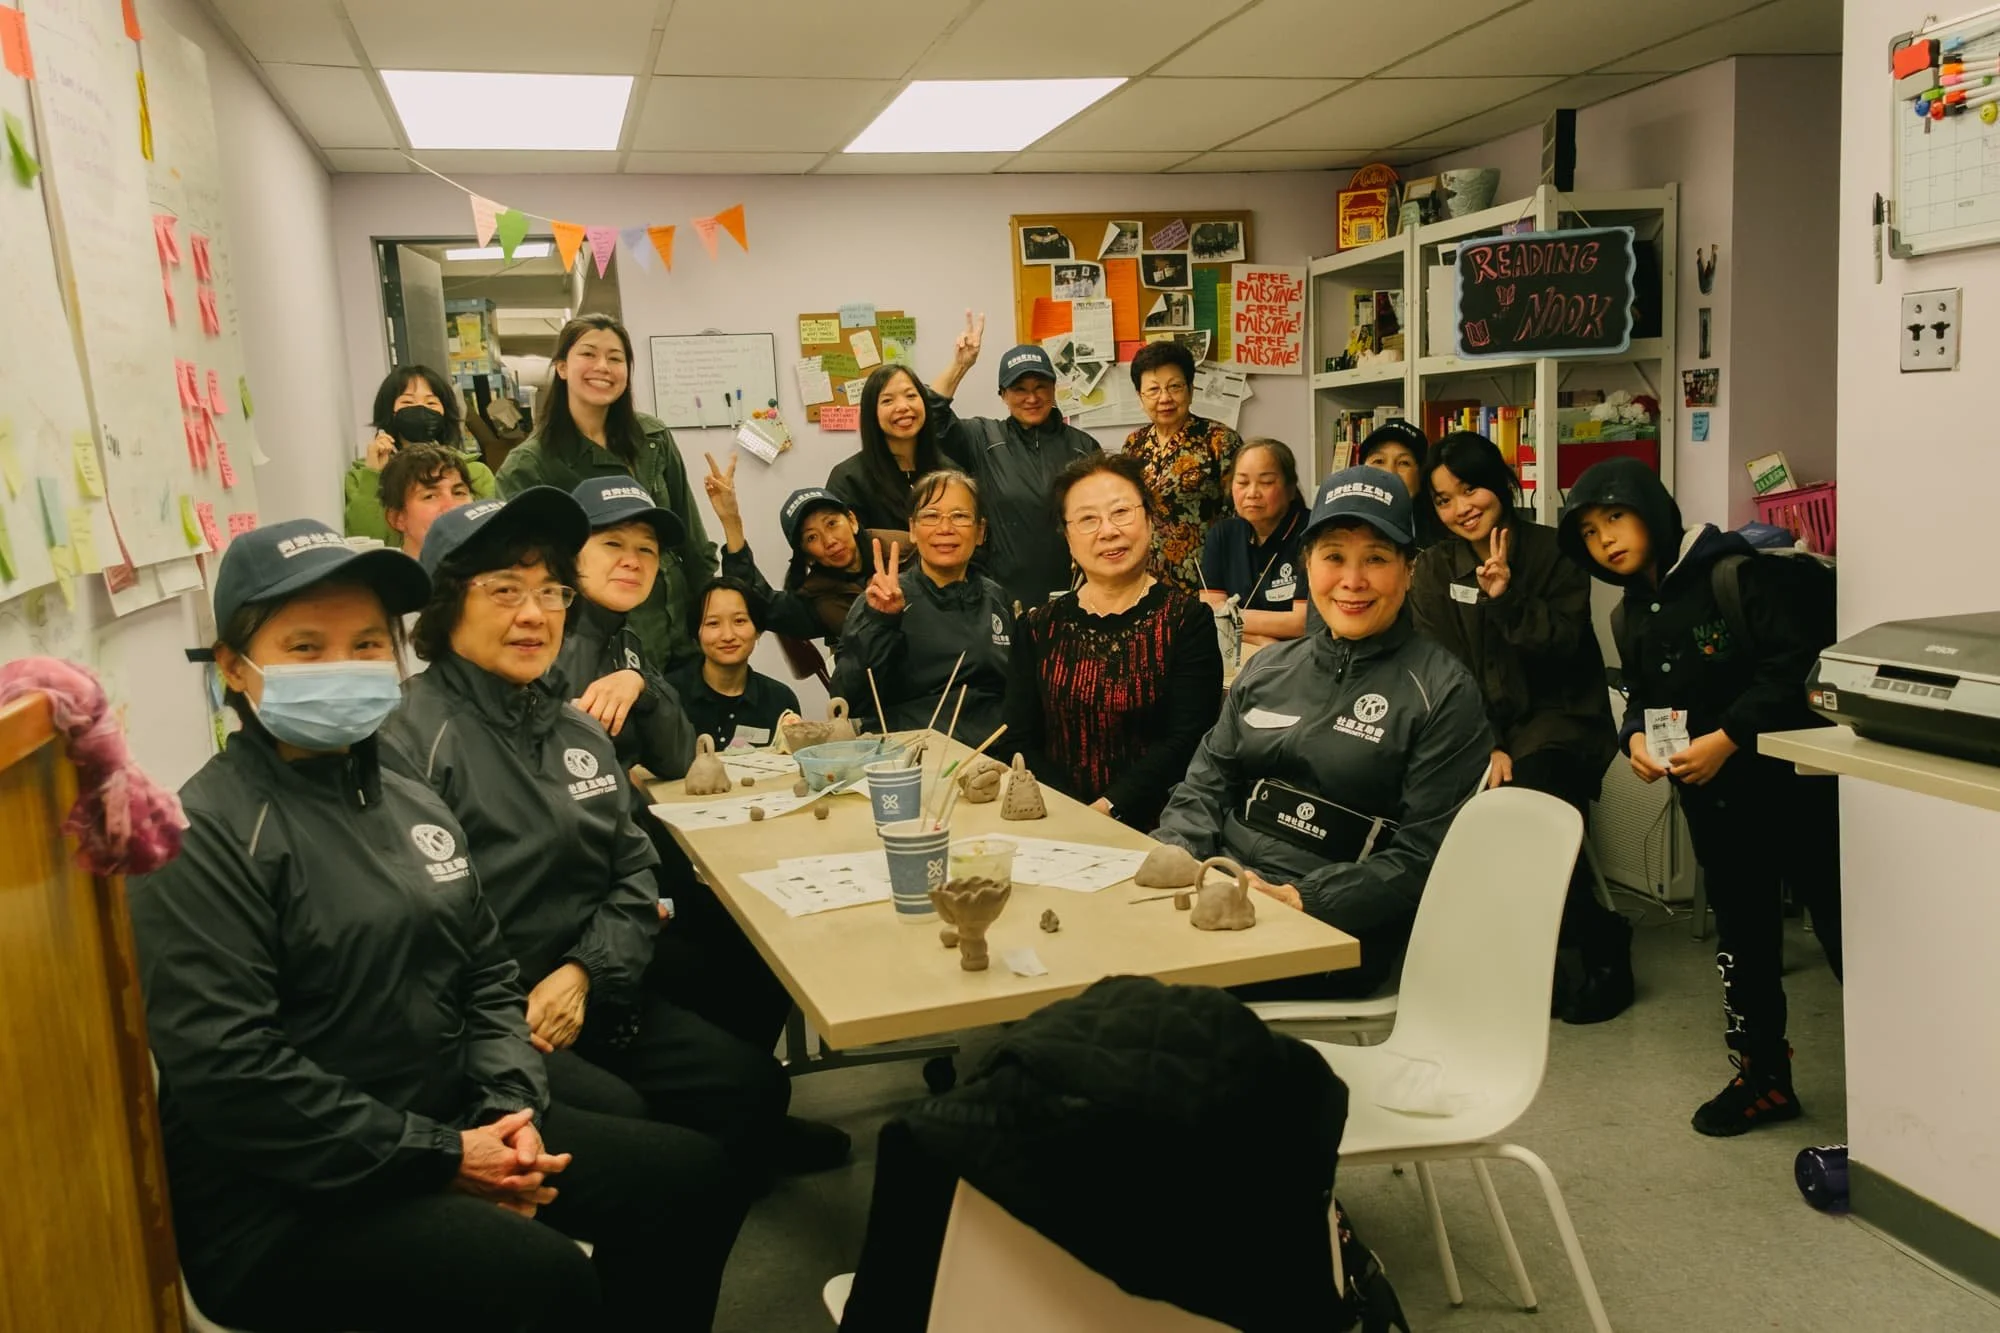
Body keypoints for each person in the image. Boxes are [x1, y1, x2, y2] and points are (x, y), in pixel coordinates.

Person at [130, 517, 746, 1332]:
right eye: (306, 648)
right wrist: (447, 1156)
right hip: (291, 1194)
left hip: (447, 1111)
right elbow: (234, 1075)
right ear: (235, 669)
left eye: (364, 644)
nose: (344, 668)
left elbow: (486, 973)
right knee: (549, 1280)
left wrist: (508, 1107)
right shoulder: (201, 833)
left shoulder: (405, 795)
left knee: (693, 1177)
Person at [380, 490, 844, 1175]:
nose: (535, 613)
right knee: (661, 1152)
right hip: (502, 1020)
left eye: (549, 591)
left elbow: (632, 873)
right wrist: (536, 997)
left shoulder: (572, 724)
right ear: (447, 605)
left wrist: (585, 972)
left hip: (597, 989)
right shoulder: (411, 743)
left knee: (756, 1085)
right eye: (505, 590)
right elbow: (427, 935)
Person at [1559, 457, 1841, 1136]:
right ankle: (1764, 1076)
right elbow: (1648, 695)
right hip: (1715, 805)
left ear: (1652, 510)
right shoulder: (1632, 610)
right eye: (1592, 533)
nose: (1607, 542)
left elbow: (1796, 667)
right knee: (1743, 941)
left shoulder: (1736, 573)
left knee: (1844, 932)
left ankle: (1909, 1084)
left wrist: (1728, 737)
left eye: (1616, 519)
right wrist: (1636, 737)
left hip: (1796, 796)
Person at [1154, 467, 1493, 997]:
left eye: (1376, 559)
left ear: (1409, 569)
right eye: (1334, 556)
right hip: (1220, 892)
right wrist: (1178, 854)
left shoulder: (1443, 692)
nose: (1352, 582)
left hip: (1332, 930)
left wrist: (1302, 899)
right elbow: (1204, 782)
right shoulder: (1268, 670)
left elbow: (1423, 857)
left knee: (1142, 1005)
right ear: (1307, 565)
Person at [1410, 432, 1635, 1025]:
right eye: (1443, 499)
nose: (1461, 507)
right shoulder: (1433, 569)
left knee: (1525, 805)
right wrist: (1486, 743)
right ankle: (1505, 960)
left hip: (1560, 720)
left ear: (1500, 484)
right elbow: (1440, 669)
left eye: (1470, 487)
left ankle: (1600, 942)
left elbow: (1564, 651)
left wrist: (1506, 598)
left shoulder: (1555, 551)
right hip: (1476, 729)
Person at [1006, 454, 1221, 831]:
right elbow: (1019, 736)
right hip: (1051, 819)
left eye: (1121, 512)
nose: (1108, 531)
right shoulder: (1037, 627)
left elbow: (1187, 739)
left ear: (1150, 521)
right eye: (1088, 519)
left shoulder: (1187, 620)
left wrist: (1108, 808)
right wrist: (1068, 812)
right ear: (1067, 536)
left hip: (1158, 828)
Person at [494, 314, 716, 675]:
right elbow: (521, 572)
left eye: (615, 358)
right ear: (562, 367)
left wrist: (712, 619)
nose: (603, 367)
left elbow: (691, 541)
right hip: (596, 650)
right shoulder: (530, 465)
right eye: (589, 354)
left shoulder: (653, 438)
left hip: (681, 633)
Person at [924, 312, 1102, 610]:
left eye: (1040, 387)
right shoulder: (983, 438)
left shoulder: (1084, 447)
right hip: (1001, 598)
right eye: (1019, 389)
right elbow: (932, 416)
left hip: (1074, 595)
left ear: (1053, 388)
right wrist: (960, 365)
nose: (1031, 398)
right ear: (1003, 395)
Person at [835, 470, 1013, 740]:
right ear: (913, 530)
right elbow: (848, 697)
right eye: (931, 516)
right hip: (911, 754)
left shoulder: (996, 597)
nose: (945, 528)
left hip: (994, 753)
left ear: (980, 532)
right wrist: (881, 621)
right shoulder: (883, 597)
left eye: (960, 516)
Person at [555, 477, 697, 787]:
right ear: (571, 553)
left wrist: (641, 686)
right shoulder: (543, 637)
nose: (633, 562)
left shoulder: (624, 637)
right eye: (613, 543)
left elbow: (680, 759)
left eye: (646, 548)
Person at [701, 461, 907, 651]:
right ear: (807, 557)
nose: (829, 541)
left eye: (832, 524)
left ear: (852, 521)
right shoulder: (817, 597)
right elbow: (758, 604)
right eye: (812, 537)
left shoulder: (908, 550)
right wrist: (731, 521)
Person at [1122, 341, 1243, 591]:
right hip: (1143, 581)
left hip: (1205, 579)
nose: (1165, 398)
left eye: (1174, 387)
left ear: (1190, 389)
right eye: (1153, 390)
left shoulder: (1219, 439)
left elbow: (1240, 516)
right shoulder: (1134, 444)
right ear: (1139, 397)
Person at [342, 364, 496, 543]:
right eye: (407, 402)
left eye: (431, 403)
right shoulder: (363, 476)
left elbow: (491, 536)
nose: (421, 409)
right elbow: (364, 540)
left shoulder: (475, 472)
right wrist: (374, 476)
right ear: (388, 411)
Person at [669, 576, 803, 750]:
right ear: (696, 633)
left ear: (757, 629)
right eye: (713, 623)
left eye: (739, 621)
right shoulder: (669, 696)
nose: (728, 636)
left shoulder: (780, 700)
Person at [1201, 438, 1310, 645]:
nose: (1252, 493)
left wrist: (1231, 618)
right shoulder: (1223, 534)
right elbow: (1210, 616)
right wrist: (1261, 639)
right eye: (1242, 482)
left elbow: (1302, 623)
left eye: (1266, 482)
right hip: (1243, 651)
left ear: (1290, 488)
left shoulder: (1311, 533)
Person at [825, 364, 951, 533]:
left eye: (911, 396)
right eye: (887, 400)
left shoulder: (950, 472)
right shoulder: (849, 479)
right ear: (872, 413)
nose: (903, 407)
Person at [377, 442, 477, 564]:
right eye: (430, 496)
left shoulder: (494, 575)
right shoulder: (385, 582)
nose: (452, 507)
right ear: (398, 518)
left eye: (458, 493)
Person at [1359, 419, 1445, 551]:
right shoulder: (1336, 523)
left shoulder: (1443, 528)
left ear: (1420, 476)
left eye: (1404, 463)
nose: (1390, 473)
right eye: (1379, 461)